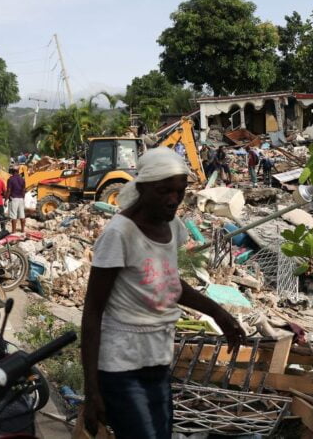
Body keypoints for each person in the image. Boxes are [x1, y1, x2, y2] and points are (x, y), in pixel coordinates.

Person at [81, 148, 246, 439]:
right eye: (164, 191)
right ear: (142, 188)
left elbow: (170, 284)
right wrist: (91, 390)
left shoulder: (172, 226)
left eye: (180, 191)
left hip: (157, 361)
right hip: (121, 366)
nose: (173, 199)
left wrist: (219, 313)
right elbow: (93, 311)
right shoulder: (119, 234)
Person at [5, 166, 26, 233]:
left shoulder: (10, 179)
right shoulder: (22, 179)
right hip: (21, 199)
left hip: (14, 199)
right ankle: (22, 230)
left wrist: (6, 200)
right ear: (18, 171)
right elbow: (24, 190)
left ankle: (14, 231)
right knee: (22, 215)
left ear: (12, 171)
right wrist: (23, 198)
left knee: (14, 216)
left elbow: (9, 190)